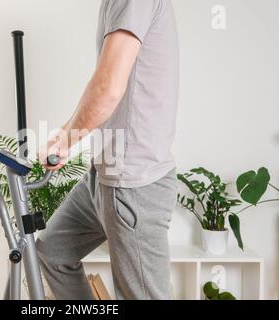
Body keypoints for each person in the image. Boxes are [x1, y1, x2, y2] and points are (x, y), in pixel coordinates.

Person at [36, 0, 179, 300]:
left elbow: (108, 87)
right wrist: (64, 135)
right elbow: (104, 87)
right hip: (103, 174)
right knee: (53, 252)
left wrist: (65, 141)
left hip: (134, 185)